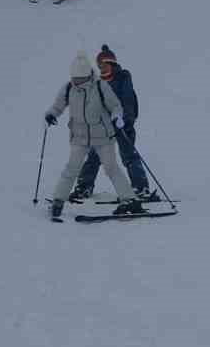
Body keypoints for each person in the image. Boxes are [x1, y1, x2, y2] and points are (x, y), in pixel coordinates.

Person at [44, 51, 145, 220]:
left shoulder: (100, 86)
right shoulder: (69, 87)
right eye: (74, 79)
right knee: (71, 169)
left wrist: (117, 117)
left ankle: (130, 201)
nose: (77, 82)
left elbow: (115, 106)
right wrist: (51, 114)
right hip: (79, 137)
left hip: (103, 137)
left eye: (80, 79)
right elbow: (58, 105)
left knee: (111, 168)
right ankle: (58, 201)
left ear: (88, 76)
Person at [70, 45, 156, 203]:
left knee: (129, 155)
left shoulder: (123, 78)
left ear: (112, 64)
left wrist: (126, 119)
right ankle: (84, 188)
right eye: (99, 66)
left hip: (122, 123)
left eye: (105, 65)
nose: (102, 69)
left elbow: (129, 100)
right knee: (94, 157)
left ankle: (141, 188)